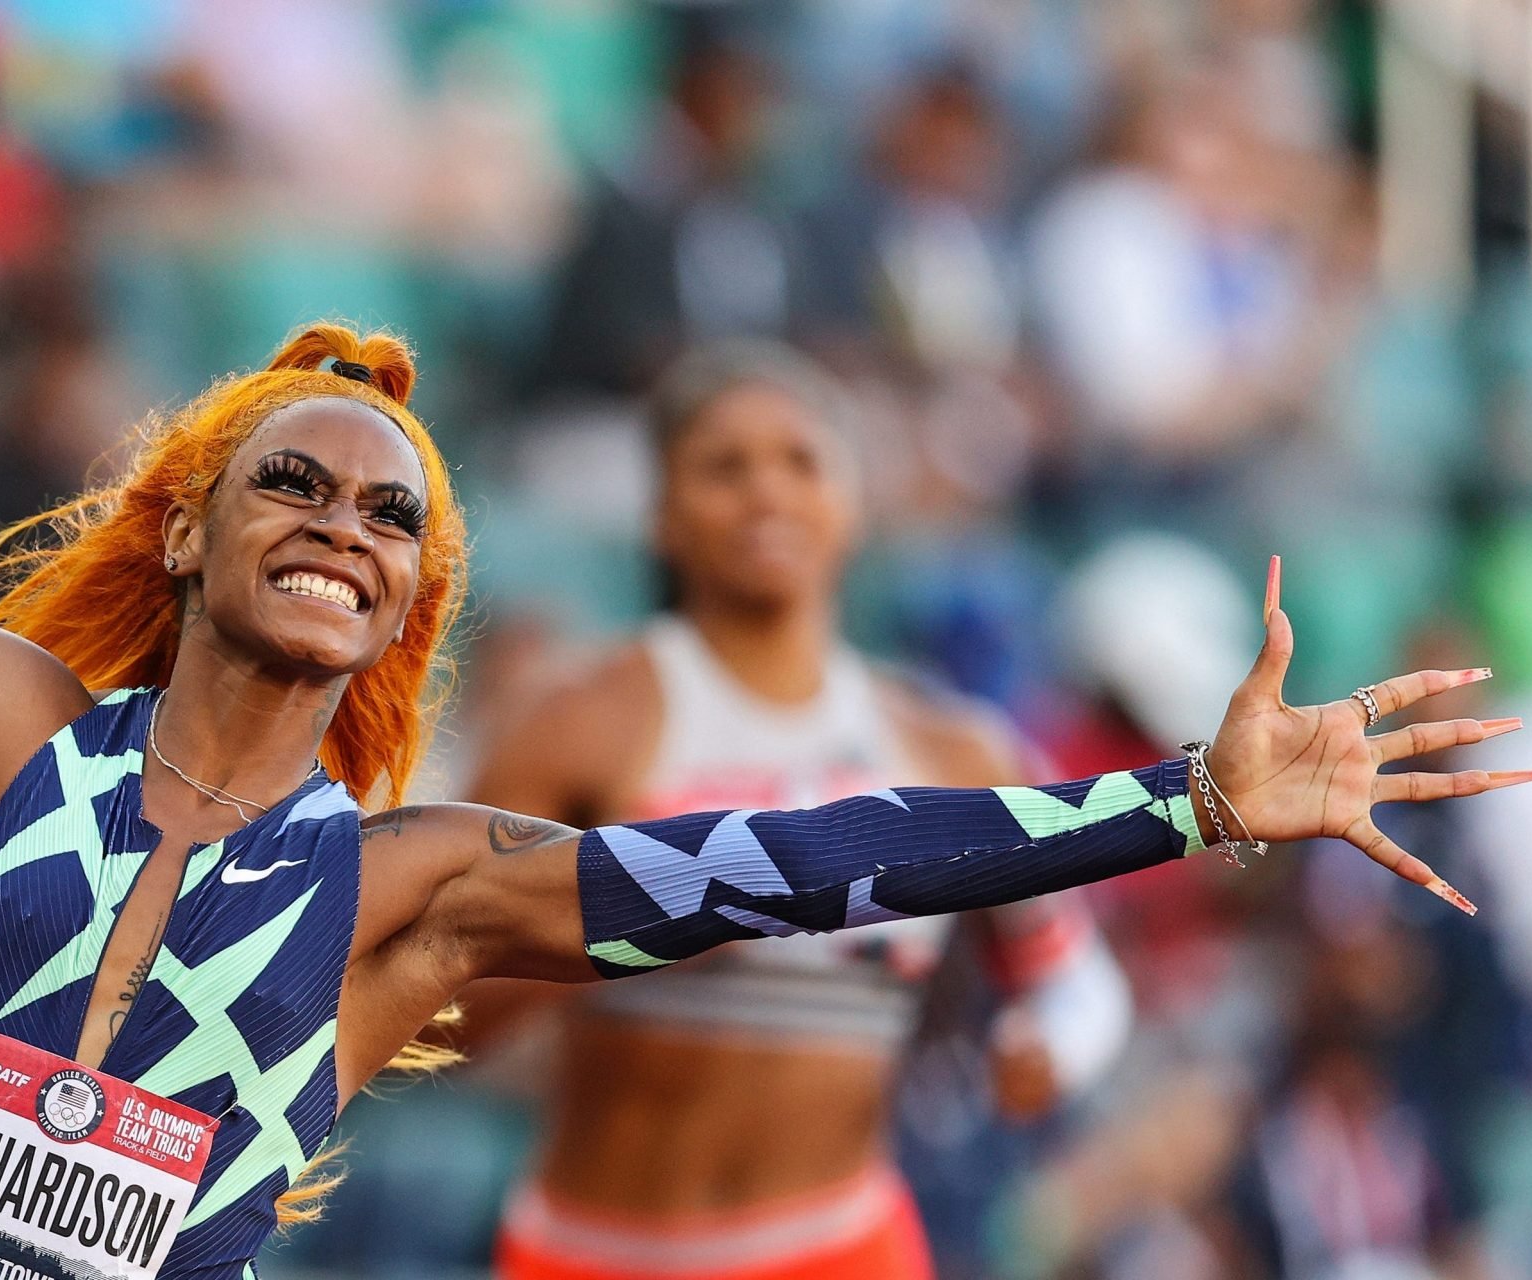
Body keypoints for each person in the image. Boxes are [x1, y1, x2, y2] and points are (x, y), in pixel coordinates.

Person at [0, 139, 1528, 1280]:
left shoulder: (402, 892)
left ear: (412, 597)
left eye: (395, 513)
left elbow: (812, 858)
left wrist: (1178, 801)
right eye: (299, 480)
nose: (346, 517)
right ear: (201, 519)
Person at [463, 345, 1137, 1280]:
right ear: (662, 514)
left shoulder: (953, 749)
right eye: (723, 467)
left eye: (801, 461)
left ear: (852, 503)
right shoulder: (583, 722)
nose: (766, 493)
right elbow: (431, 1002)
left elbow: (1074, 981)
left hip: (845, 1249)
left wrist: (1048, 1050)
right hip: (594, 1254)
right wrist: (626, 927)